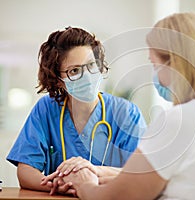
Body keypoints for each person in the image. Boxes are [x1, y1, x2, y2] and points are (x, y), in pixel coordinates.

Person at [45, 12, 195, 199]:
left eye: (155, 64)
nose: (155, 76)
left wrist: (84, 184)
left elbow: (113, 198)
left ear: (175, 64)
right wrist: (97, 172)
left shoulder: (182, 120)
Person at [6, 27, 146, 195]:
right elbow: (26, 171)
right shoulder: (46, 109)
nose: (86, 76)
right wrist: (61, 185)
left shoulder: (126, 113)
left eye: (91, 65)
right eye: (74, 70)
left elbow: (139, 174)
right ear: (58, 80)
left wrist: (87, 173)